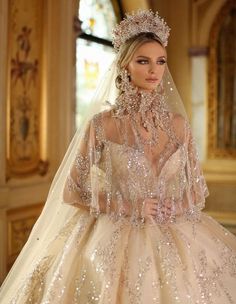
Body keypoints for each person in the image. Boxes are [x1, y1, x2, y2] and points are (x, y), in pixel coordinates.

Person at [1, 9, 236, 304]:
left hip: (176, 234)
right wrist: (129, 205)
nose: (155, 70)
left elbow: (198, 191)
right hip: (111, 238)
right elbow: (71, 191)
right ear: (125, 66)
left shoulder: (178, 125)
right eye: (143, 61)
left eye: (160, 61)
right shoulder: (102, 125)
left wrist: (174, 206)